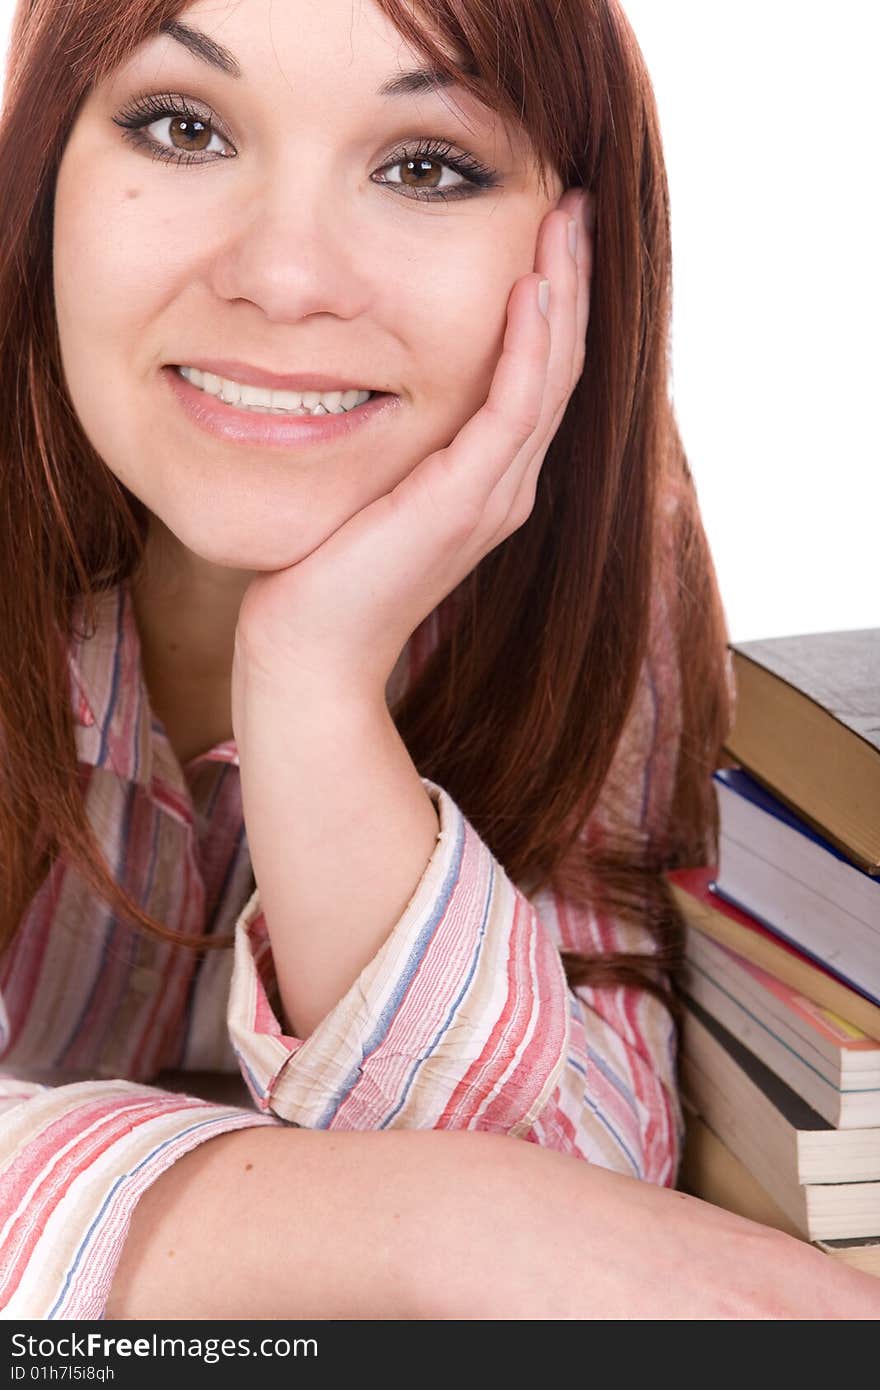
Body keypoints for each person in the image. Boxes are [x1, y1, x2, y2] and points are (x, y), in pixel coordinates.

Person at [0, 0, 877, 1321]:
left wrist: (312, 675)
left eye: (426, 165)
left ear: (573, 244)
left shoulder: (586, 597)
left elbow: (582, 1198)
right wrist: (426, 1226)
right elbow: (546, 1243)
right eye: (181, 127)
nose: (286, 276)